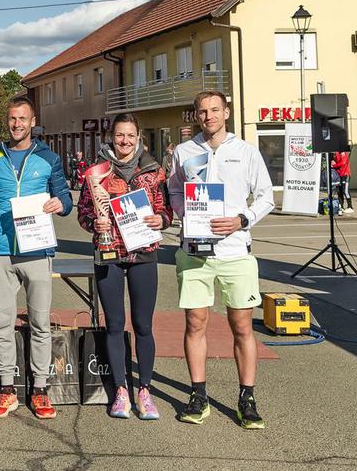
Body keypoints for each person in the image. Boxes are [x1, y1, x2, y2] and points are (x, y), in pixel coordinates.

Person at [169, 91, 274, 429]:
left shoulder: (245, 152)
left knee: (242, 326)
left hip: (235, 252)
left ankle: (247, 397)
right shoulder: (183, 152)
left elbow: (266, 196)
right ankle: (198, 395)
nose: (208, 116)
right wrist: (185, 212)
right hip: (194, 251)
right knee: (195, 324)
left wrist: (241, 220)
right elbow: (172, 191)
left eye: (215, 110)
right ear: (195, 116)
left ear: (226, 112)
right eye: (202, 111)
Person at [0, 96, 73, 420]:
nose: (17, 124)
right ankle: (7, 388)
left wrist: (60, 205)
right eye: (12, 119)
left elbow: (66, 198)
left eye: (22, 119)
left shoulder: (48, 157)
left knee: (40, 323)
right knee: (2, 323)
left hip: (36, 249)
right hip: (0, 249)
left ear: (33, 122)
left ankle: (40, 389)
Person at [76, 113, 170, 420]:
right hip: (109, 254)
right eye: (120, 135)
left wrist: (162, 221)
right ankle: (120, 391)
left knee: (143, 325)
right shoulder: (96, 172)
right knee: (114, 325)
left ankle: (145, 390)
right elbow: (83, 213)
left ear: (139, 136)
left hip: (143, 253)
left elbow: (165, 210)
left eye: (130, 135)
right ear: (111, 137)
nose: (125, 141)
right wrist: (95, 222)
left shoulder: (154, 171)